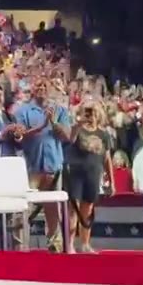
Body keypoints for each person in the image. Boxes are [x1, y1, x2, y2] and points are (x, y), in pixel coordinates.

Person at [13, 77, 72, 251]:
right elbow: (20, 136)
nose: (42, 87)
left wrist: (53, 122)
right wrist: (42, 125)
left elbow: (66, 136)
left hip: (54, 167)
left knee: (53, 211)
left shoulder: (59, 110)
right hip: (31, 168)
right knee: (23, 210)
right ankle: (20, 248)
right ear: (32, 88)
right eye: (38, 84)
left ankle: (55, 246)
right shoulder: (23, 111)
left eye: (45, 85)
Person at [63, 101, 115, 254]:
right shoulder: (77, 130)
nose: (90, 115)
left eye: (92, 112)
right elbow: (70, 139)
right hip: (75, 174)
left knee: (88, 209)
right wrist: (78, 125)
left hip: (94, 174)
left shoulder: (104, 134)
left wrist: (112, 182)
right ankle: (69, 244)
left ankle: (85, 243)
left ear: (98, 114)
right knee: (73, 209)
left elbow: (107, 159)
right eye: (87, 111)